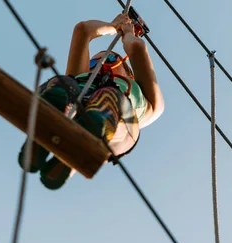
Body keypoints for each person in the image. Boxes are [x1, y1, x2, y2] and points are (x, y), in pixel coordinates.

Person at [18, 13, 164, 189]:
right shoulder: (84, 78)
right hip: (78, 106)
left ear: (129, 73)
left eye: (110, 60)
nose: (101, 66)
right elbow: (83, 30)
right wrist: (113, 26)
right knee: (64, 84)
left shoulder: (148, 102)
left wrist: (127, 32)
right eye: (94, 63)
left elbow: (138, 48)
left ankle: (86, 137)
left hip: (119, 127)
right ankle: (47, 126)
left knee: (109, 97)